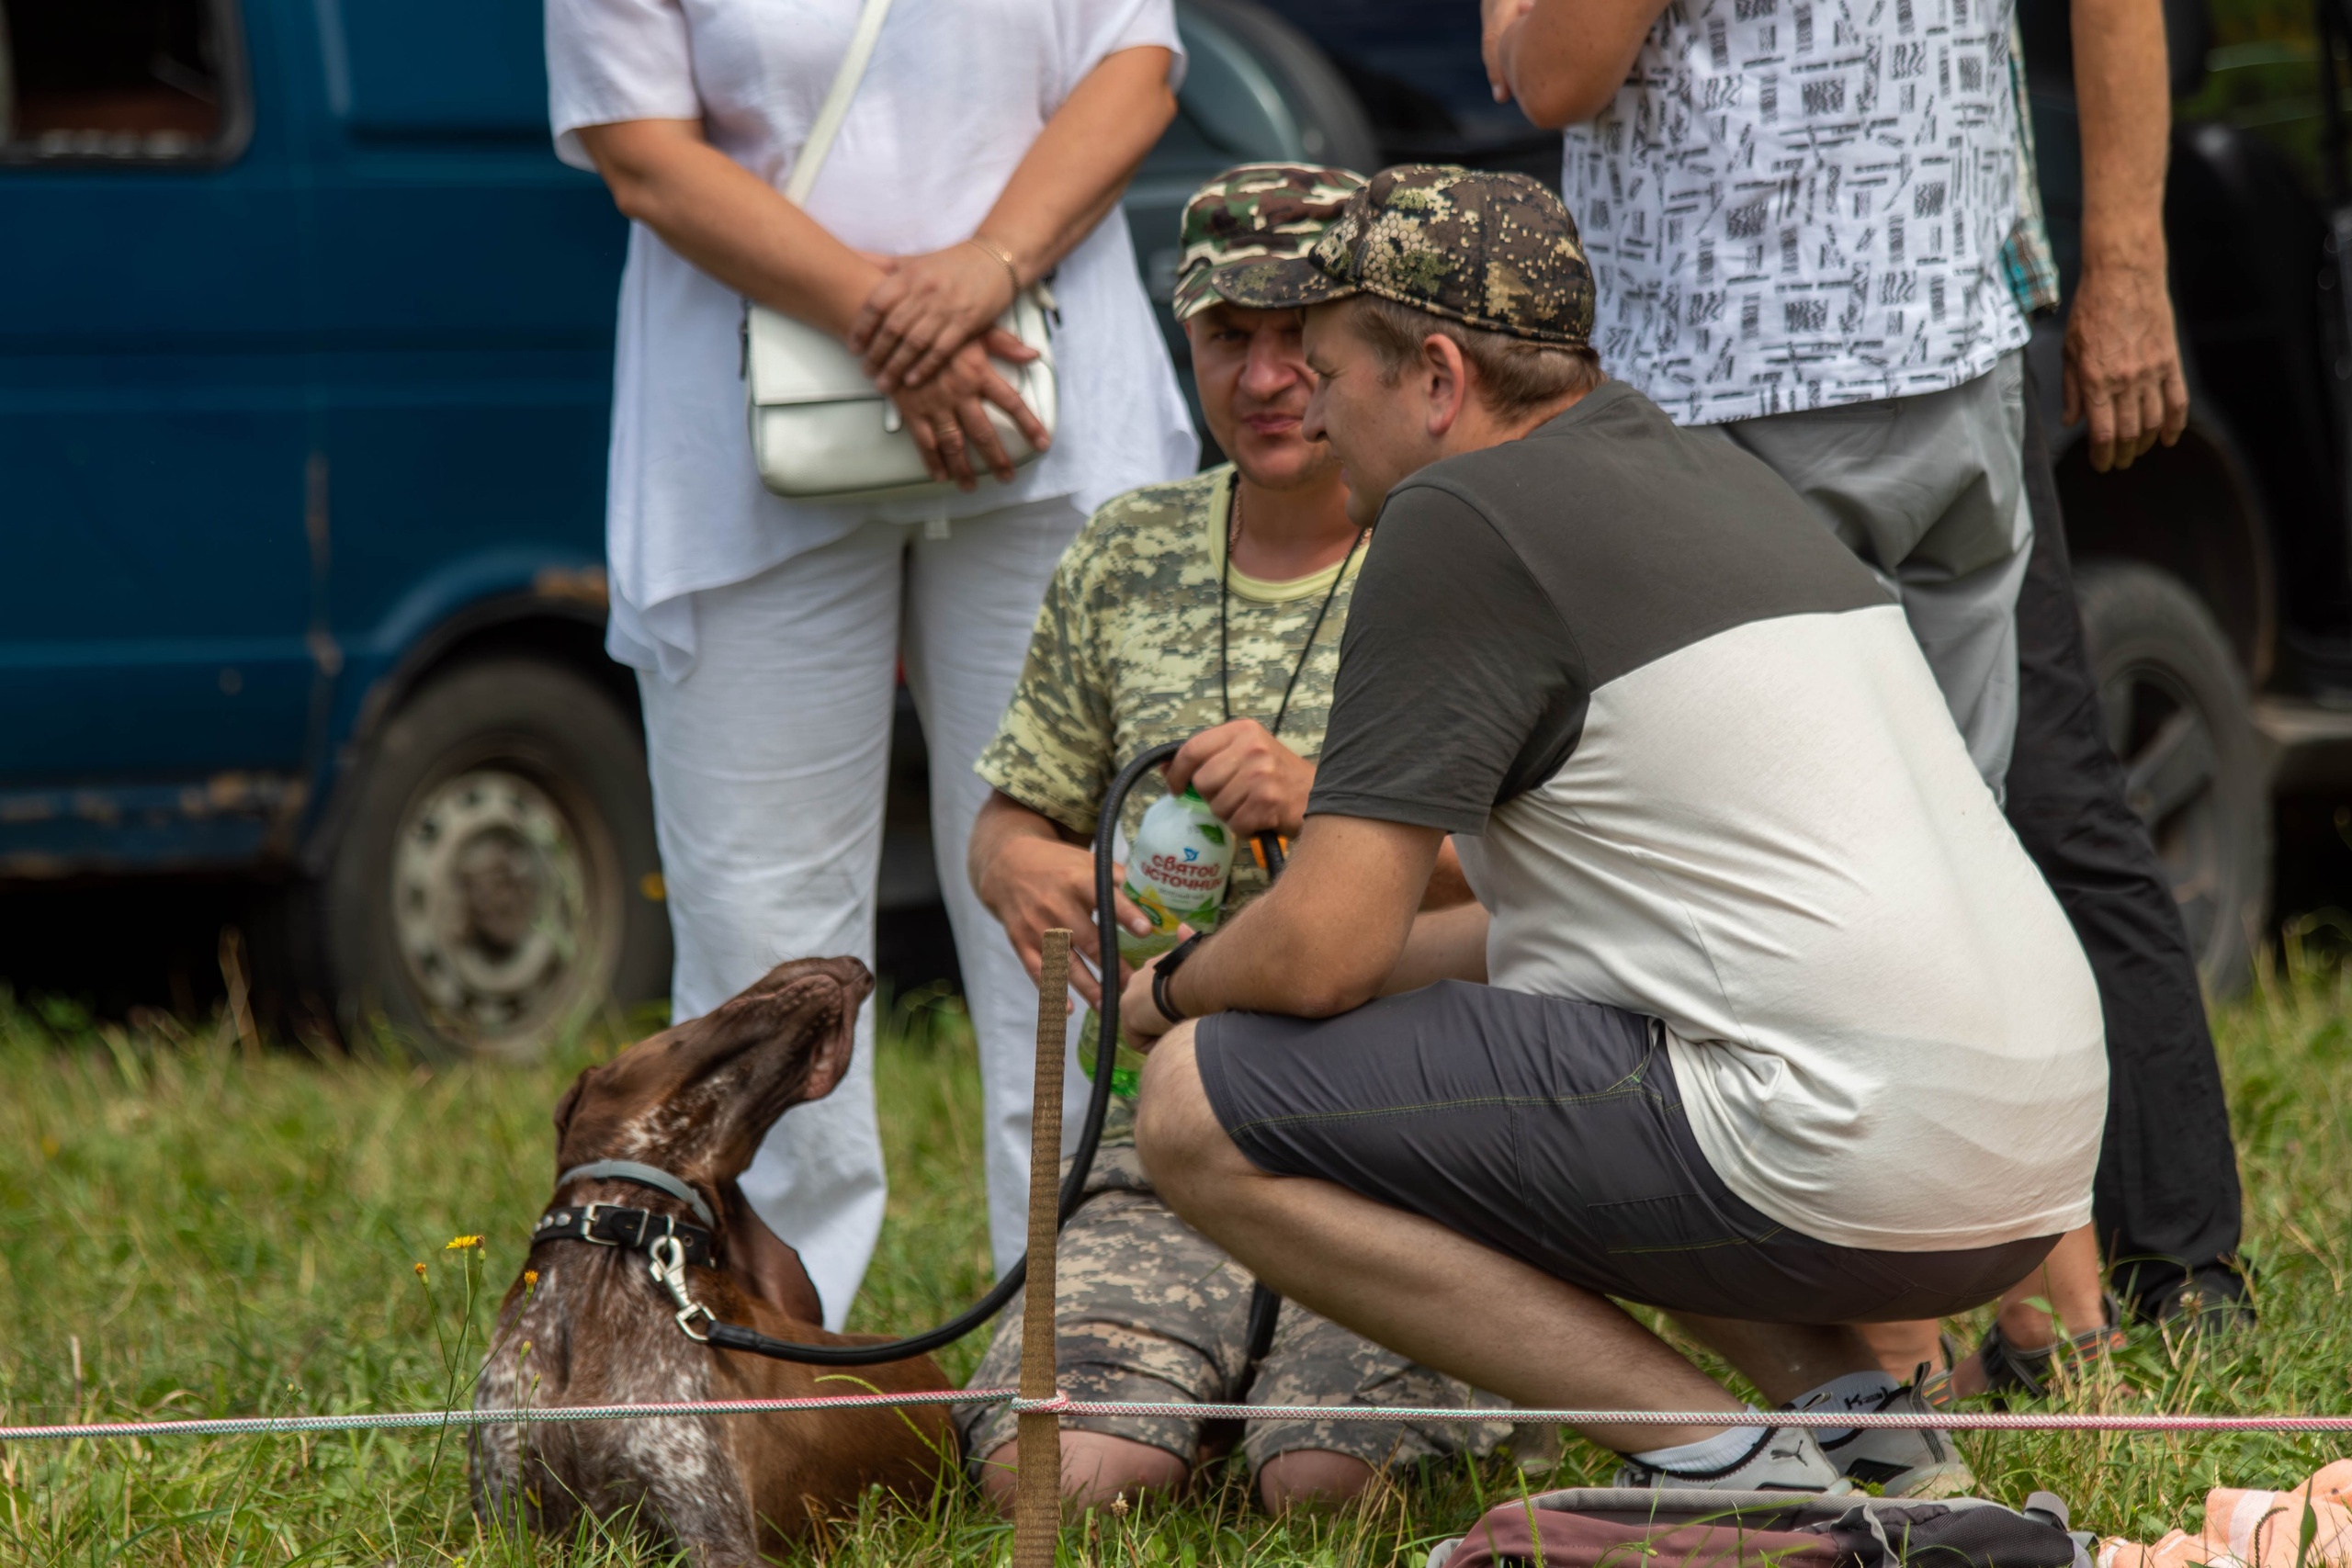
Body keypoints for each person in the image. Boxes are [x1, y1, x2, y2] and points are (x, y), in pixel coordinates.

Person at [1122, 167, 2109, 1496]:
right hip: (2031, 1153)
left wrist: (1171, 992)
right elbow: (1515, 941)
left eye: (1331, 369)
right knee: (1531, 1051)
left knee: (1197, 1107)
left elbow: (1327, 952)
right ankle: (1877, 1447)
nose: (1311, 404)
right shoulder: (1710, 473)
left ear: (1435, 376)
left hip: (1844, 1150)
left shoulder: (1454, 517)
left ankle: (1738, 1473)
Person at [1480, 0, 2245, 1349]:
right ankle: (2053, 1327)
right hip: (1940, 346)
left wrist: (2127, 263)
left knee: (1813, 876)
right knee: (1974, 843)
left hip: (1747, 368)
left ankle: (1952, 1338)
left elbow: (1551, 70)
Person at [544, 0, 1200, 1326]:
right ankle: (778, 1331)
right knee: (759, 916)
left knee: (1081, 890)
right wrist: (884, 315)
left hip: (1042, 388)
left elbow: (1134, 67)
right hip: (744, 426)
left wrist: (980, 273)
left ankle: (1104, 1316)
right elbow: (638, 146)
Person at [956, 164, 1506, 1514]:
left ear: (1366, 348)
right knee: (1063, 1476)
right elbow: (1009, 824)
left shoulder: (1466, 556)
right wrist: (1037, 877)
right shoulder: (1128, 550)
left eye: (1298, 340)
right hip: (1156, 1148)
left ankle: (1292, 1404)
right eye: (1226, 339)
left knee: (1328, 1484)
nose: (1266, 379)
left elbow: (1539, 874)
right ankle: (1190, 1387)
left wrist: (1324, 795)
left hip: (1405, 1144)